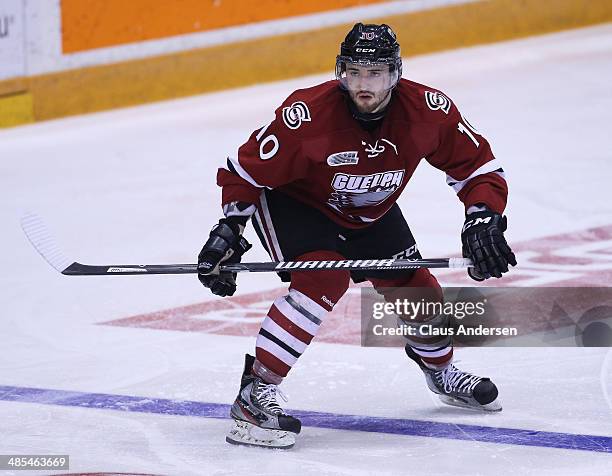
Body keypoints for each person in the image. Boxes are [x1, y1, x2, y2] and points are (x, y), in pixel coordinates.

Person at [197, 23, 516, 449]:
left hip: (370, 209)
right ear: (340, 72)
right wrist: (230, 228)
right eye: (354, 72)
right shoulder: (305, 116)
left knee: (417, 288)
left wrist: (483, 217)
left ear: (395, 74)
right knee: (322, 280)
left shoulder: (429, 111)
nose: (363, 85)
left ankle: (440, 372)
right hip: (298, 204)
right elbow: (244, 171)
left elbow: (477, 167)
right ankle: (254, 395)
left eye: (376, 74)